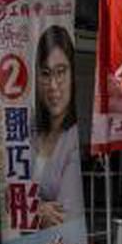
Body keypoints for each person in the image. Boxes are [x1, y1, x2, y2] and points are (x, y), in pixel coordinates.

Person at [33, 25, 83, 229]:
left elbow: (63, 215)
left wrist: (31, 207)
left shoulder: (73, 138)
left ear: (72, 75)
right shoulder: (27, 129)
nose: (53, 85)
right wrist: (37, 209)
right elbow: (10, 194)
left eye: (61, 72)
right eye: (45, 74)